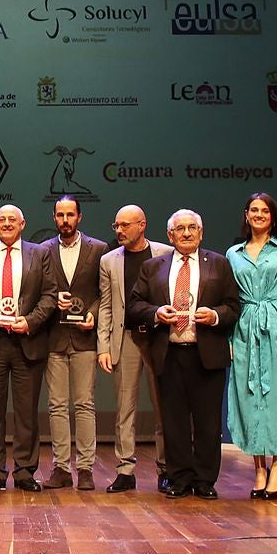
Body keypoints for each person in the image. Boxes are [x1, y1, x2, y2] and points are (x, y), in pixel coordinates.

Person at [128, 209, 240, 500]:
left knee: (207, 421)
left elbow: (233, 307)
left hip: (207, 355)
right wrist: (156, 313)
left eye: (192, 228)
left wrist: (215, 315)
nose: (187, 233)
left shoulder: (219, 264)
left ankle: (204, 480)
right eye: (181, 229)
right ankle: (178, 478)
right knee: (174, 422)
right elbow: (134, 306)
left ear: (201, 233)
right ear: (170, 235)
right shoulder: (153, 267)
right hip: (169, 353)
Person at [225, 193, 277, 500]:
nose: (259, 215)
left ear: (273, 217)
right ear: (246, 215)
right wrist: (230, 338)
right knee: (250, 400)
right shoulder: (233, 253)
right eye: (253, 210)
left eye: (265, 211)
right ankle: (258, 468)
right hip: (245, 331)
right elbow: (230, 300)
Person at [0, 204, 57, 492]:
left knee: (26, 414)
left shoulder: (41, 254)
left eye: (13, 219)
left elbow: (50, 295)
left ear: (23, 224)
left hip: (27, 343)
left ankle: (24, 471)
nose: (7, 223)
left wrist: (31, 321)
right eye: (1, 220)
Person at [97, 205, 172, 492]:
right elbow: (106, 305)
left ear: (142, 225)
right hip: (125, 338)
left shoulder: (165, 253)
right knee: (124, 409)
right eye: (116, 225)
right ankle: (125, 470)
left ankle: (165, 468)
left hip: (157, 337)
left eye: (125, 225)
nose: (119, 231)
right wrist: (104, 345)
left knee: (163, 407)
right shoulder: (109, 261)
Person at [43, 196, 107, 491]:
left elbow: (103, 293)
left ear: (79, 217)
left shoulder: (98, 250)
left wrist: (93, 314)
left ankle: (85, 469)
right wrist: (53, 299)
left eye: (70, 214)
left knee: (84, 404)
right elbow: (39, 292)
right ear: (54, 217)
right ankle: (60, 468)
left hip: (84, 336)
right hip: (54, 336)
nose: (65, 220)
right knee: (56, 405)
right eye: (60, 215)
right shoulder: (43, 251)